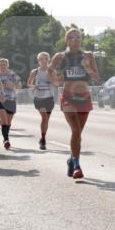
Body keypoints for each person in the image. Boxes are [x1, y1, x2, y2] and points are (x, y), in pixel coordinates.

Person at [49, 28, 100, 179]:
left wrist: (87, 67)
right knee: (76, 130)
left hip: (84, 97)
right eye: (72, 37)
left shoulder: (88, 55)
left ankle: (71, 159)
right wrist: (56, 80)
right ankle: (77, 166)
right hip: (68, 97)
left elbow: (96, 77)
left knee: (77, 134)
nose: (75, 40)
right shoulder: (60, 56)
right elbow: (50, 71)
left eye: (78, 37)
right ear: (66, 40)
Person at [28, 52, 56, 150]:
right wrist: (34, 86)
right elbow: (29, 84)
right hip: (39, 98)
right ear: (38, 61)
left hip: (49, 97)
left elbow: (56, 83)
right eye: (41, 59)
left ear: (48, 60)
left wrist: (51, 80)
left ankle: (43, 137)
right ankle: (43, 140)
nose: (43, 61)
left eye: (45, 59)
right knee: (44, 117)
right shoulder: (35, 72)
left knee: (46, 120)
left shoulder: (52, 71)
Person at [0, 58, 23, 149]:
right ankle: (6, 140)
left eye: (5, 64)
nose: (3, 66)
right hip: (0, 100)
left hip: (11, 100)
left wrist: (12, 86)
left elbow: (19, 85)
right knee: (4, 121)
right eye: (1, 64)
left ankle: (5, 136)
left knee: (8, 122)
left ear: (8, 65)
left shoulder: (12, 74)